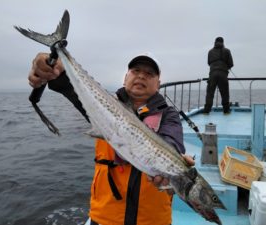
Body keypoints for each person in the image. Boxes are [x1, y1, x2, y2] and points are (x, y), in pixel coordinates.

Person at [28, 52, 194, 225]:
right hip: (105, 218)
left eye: (149, 74)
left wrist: (174, 160)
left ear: (158, 84)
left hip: (152, 220)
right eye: (136, 70)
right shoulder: (101, 104)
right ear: (125, 77)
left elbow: (172, 143)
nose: (141, 76)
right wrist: (53, 69)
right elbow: (71, 88)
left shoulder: (169, 115)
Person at [203, 37, 234, 114]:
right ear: (223, 42)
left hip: (212, 74)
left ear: (215, 42)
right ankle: (226, 111)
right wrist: (226, 67)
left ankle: (206, 111)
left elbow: (209, 62)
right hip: (223, 74)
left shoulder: (210, 51)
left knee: (210, 93)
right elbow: (231, 64)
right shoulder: (227, 51)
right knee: (225, 93)